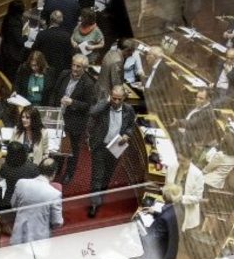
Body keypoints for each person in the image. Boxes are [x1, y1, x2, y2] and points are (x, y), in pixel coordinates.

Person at [87, 84, 135, 216]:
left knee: (108, 174)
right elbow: (93, 112)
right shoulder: (104, 106)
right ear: (110, 96)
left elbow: (131, 125)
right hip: (100, 145)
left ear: (124, 98)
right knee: (97, 175)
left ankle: (101, 194)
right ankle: (94, 203)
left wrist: (127, 135)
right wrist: (107, 101)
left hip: (116, 146)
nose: (116, 102)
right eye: (114, 98)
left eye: (120, 99)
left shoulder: (128, 110)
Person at [50, 54, 97, 184]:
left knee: (73, 150)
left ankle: (69, 174)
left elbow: (89, 106)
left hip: (75, 122)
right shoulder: (64, 74)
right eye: (73, 65)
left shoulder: (89, 84)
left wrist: (73, 102)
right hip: (59, 117)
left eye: (78, 67)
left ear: (84, 68)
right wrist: (52, 109)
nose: (75, 69)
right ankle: (57, 168)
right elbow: (55, 91)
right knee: (58, 145)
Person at [10, 165, 63, 245]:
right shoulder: (55, 194)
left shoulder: (21, 183)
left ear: (39, 170)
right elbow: (57, 222)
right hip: (39, 242)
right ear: (53, 174)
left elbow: (13, 205)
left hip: (18, 238)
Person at [141, 184, 181, 259]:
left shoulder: (165, 217)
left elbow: (151, 239)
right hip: (170, 246)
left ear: (164, 197)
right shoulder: (177, 208)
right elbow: (168, 218)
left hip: (159, 255)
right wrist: (154, 213)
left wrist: (139, 232)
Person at [172, 87, 216, 152]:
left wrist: (178, 122)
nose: (197, 100)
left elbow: (191, 123)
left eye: (201, 98)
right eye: (197, 97)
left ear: (208, 99)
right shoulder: (200, 105)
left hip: (191, 140)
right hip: (184, 131)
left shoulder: (207, 112)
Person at [0, 141, 42, 208]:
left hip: (9, 199)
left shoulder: (5, 167)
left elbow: (1, 174)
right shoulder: (32, 167)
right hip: (26, 200)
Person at [33, 11, 74, 76]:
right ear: (61, 20)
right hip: (60, 70)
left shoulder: (41, 34)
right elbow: (69, 54)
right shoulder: (66, 36)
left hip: (44, 67)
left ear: (50, 19)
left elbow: (34, 50)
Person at [138, 46, 176, 113]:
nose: (146, 58)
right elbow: (152, 80)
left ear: (154, 57)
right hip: (149, 94)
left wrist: (144, 89)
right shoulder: (156, 65)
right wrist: (142, 81)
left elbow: (162, 89)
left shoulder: (164, 68)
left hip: (155, 100)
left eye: (148, 55)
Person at [0, 0, 27, 77]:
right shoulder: (15, 23)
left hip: (6, 49)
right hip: (12, 53)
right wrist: (26, 35)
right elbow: (20, 41)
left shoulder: (7, 17)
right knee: (11, 74)